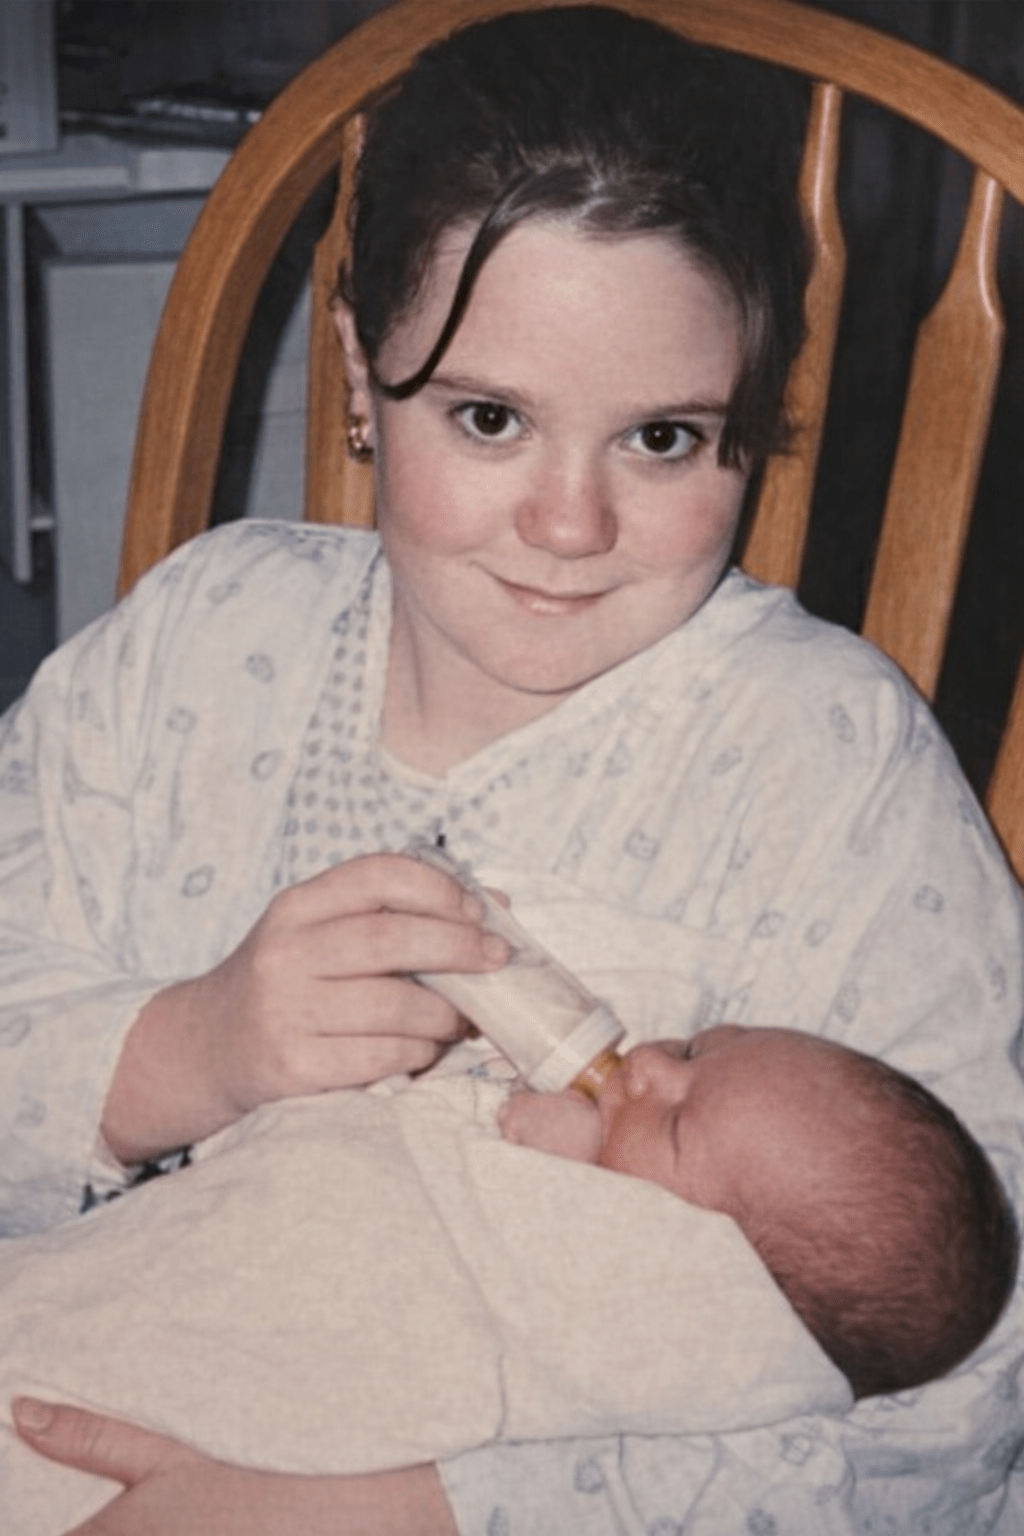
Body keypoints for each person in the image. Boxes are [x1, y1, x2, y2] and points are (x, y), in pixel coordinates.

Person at [2, 5, 1023, 1533]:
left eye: (666, 440)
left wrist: (402, 1511)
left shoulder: (820, 766)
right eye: (489, 418)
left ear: (753, 410)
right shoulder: (197, 649)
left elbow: (968, 1395)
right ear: (361, 372)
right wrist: (180, 1052)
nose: (570, 525)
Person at [1, 1024, 1014, 1533]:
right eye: (699, 1046)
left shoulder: (606, 1315)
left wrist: (502, 1151)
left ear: (698, 1285)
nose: (648, 1064)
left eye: (673, 1119)